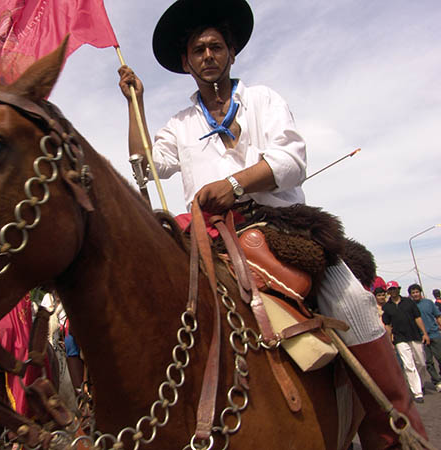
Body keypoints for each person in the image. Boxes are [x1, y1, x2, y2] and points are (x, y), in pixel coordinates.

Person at [117, 0, 426, 446]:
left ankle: (397, 430)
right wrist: (135, 104)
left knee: (356, 305)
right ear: (186, 62)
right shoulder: (179, 124)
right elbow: (146, 166)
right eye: (198, 50)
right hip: (210, 246)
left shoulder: (263, 99)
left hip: (281, 231)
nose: (208, 56)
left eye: (215, 47)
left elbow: (291, 159)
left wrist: (235, 185)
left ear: (232, 52)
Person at [382, 281, 429, 402]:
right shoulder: (387, 307)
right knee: (409, 365)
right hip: (400, 338)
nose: (393, 292)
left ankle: (420, 383)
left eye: (394, 289)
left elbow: (417, 318)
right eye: (390, 290)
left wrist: (424, 333)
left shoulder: (409, 302)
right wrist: (390, 340)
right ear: (388, 292)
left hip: (414, 335)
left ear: (398, 289)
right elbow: (387, 325)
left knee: (421, 363)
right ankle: (417, 392)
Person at [409, 283, 441, 392]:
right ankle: (437, 381)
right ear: (410, 295)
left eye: (417, 292)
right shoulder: (410, 306)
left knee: (440, 357)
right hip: (420, 338)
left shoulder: (428, 303)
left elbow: (437, 316)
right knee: (428, 361)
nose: (415, 294)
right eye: (413, 293)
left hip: (434, 334)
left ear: (420, 292)